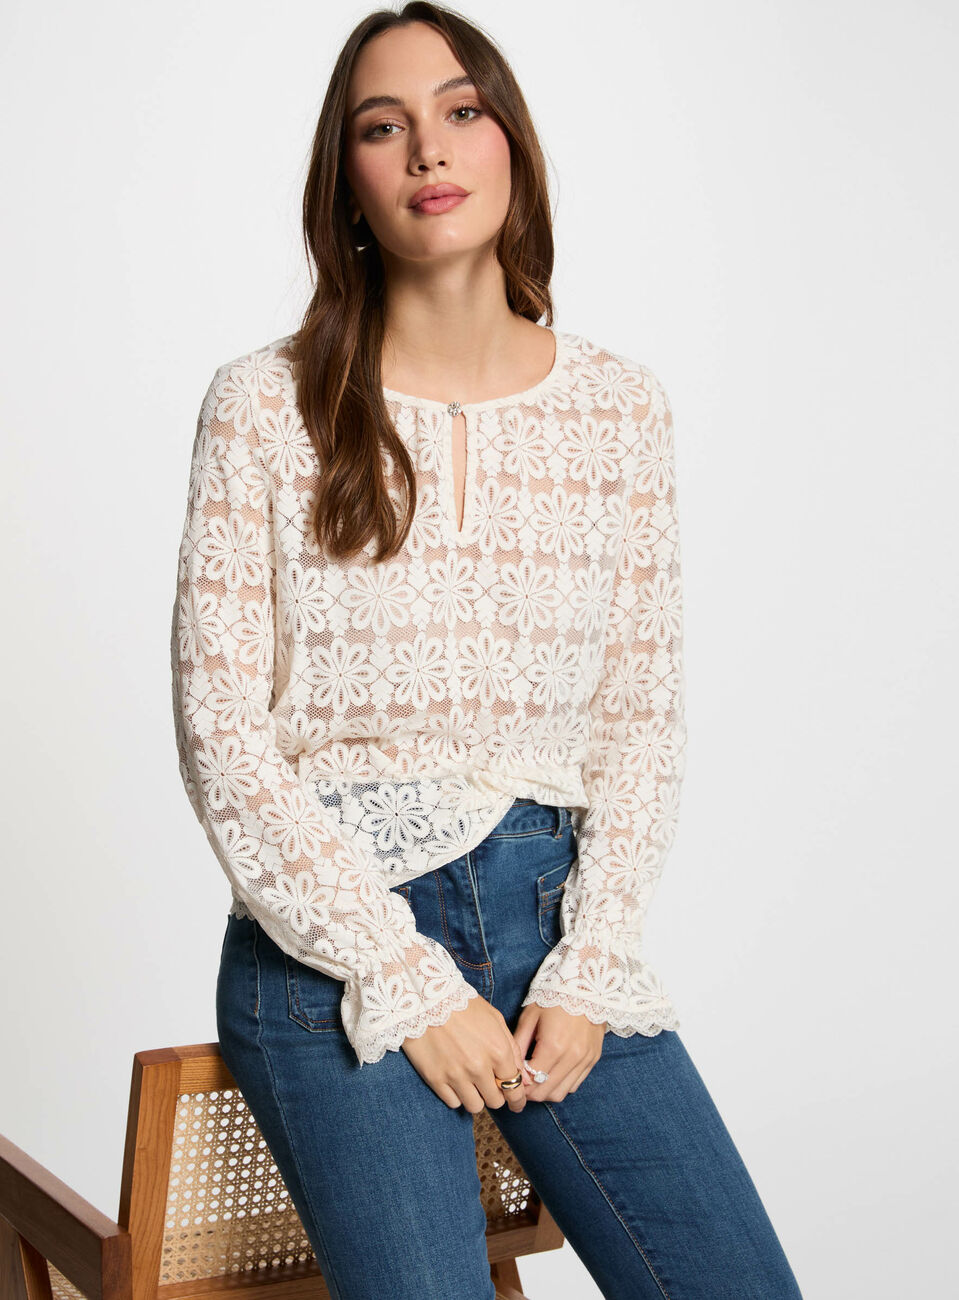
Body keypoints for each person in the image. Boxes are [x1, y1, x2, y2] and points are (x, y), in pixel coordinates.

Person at [170, 4, 803, 1297]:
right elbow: (222, 737)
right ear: (345, 179)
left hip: (556, 937)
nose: (428, 149)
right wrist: (402, 976)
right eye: (382, 127)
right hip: (334, 955)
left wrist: (592, 962)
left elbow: (640, 717)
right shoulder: (264, 404)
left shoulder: (618, 407)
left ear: (512, 142)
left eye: (462, 111)